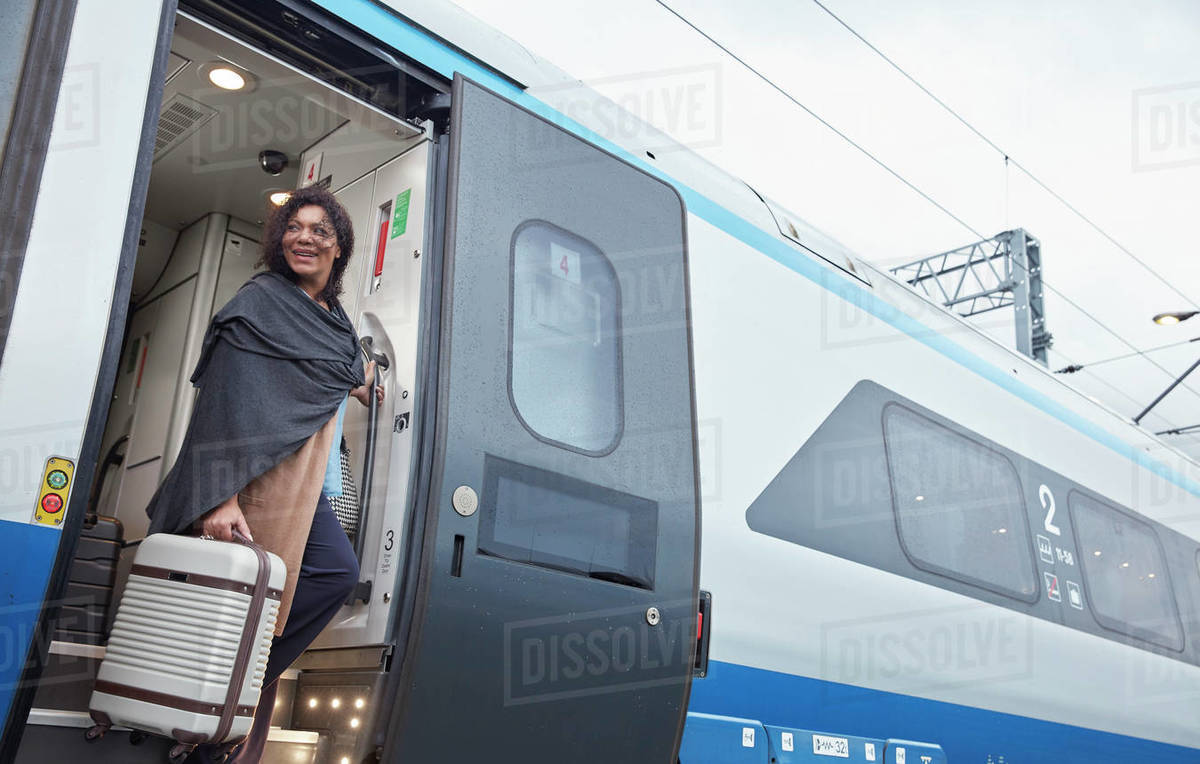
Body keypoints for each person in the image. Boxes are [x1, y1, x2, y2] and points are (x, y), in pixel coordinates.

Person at [144, 185, 381, 763]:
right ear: (279, 241)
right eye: (294, 228)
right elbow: (225, 397)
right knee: (285, 594)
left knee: (286, 603)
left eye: (321, 230)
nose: (306, 238)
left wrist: (367, 379)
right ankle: (219, 702)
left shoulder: (334, 319)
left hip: (307, 488)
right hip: (256, 481)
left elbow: (344, 371)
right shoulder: (262, 300)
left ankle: (233, 701)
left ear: (340, 248)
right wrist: (219, 494)